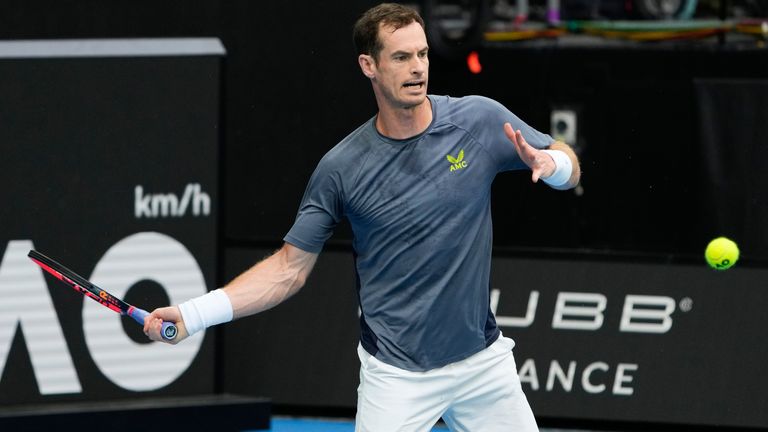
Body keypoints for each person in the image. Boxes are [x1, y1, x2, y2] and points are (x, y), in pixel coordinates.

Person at [144, 3, 580, 431]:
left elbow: (568, 161)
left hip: (481, 364)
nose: (418, 69)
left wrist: (552, 166)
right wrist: (194, 314)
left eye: (423, 54)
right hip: (395, 377)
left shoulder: (479, 120)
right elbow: (287, 270)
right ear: (368, 65)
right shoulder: (342, 168)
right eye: (402, 57)